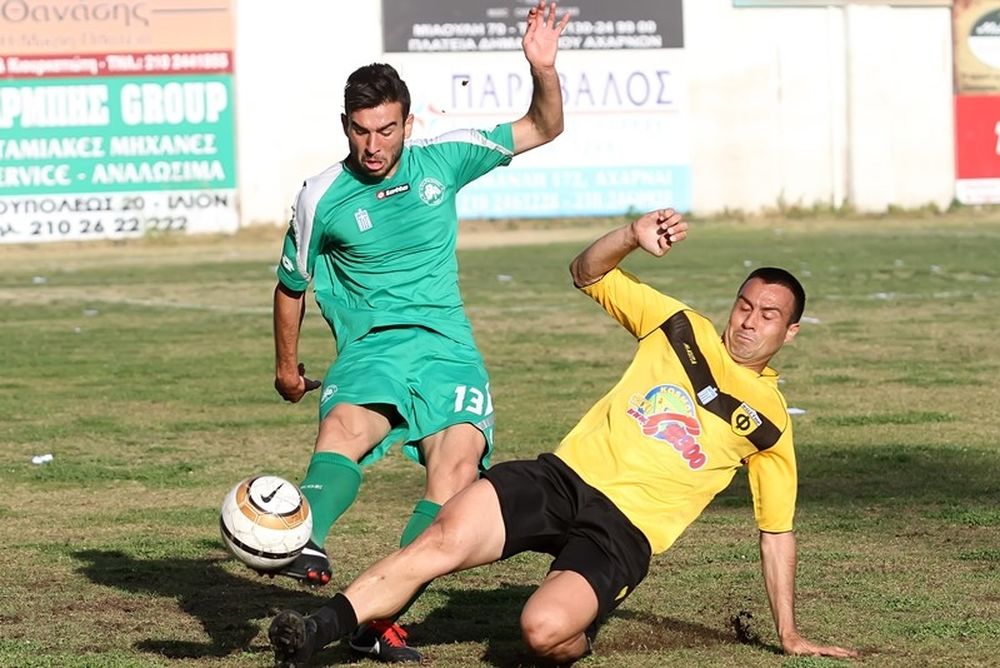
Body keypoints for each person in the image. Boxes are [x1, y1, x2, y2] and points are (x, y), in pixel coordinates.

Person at [268, 208, 860, 666]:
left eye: (769, 315)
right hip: (561, 478)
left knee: (543, 632)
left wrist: (788, 631)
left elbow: (776, 532)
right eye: (745, 305)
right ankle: (319, 629)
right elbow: (587, 271)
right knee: (441, 537)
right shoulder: (679, 326)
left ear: (792, 331)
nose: (749, 321)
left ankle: (583, 629)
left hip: (621, 532)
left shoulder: (770, 426)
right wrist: (631, 233)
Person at [268, 0, 570, 662]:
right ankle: (300, 535)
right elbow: (292, 286)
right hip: (372, 348)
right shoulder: (321, 195)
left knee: (455, 475)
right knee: (346, 429)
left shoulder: (445, 160)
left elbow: (544, 126)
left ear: (408, 121)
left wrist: (542, 69)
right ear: (344, 126)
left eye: (385, 130)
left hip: (448, 351)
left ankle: (376, 617)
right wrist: (287, 369)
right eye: (359, 131)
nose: (372, 146)